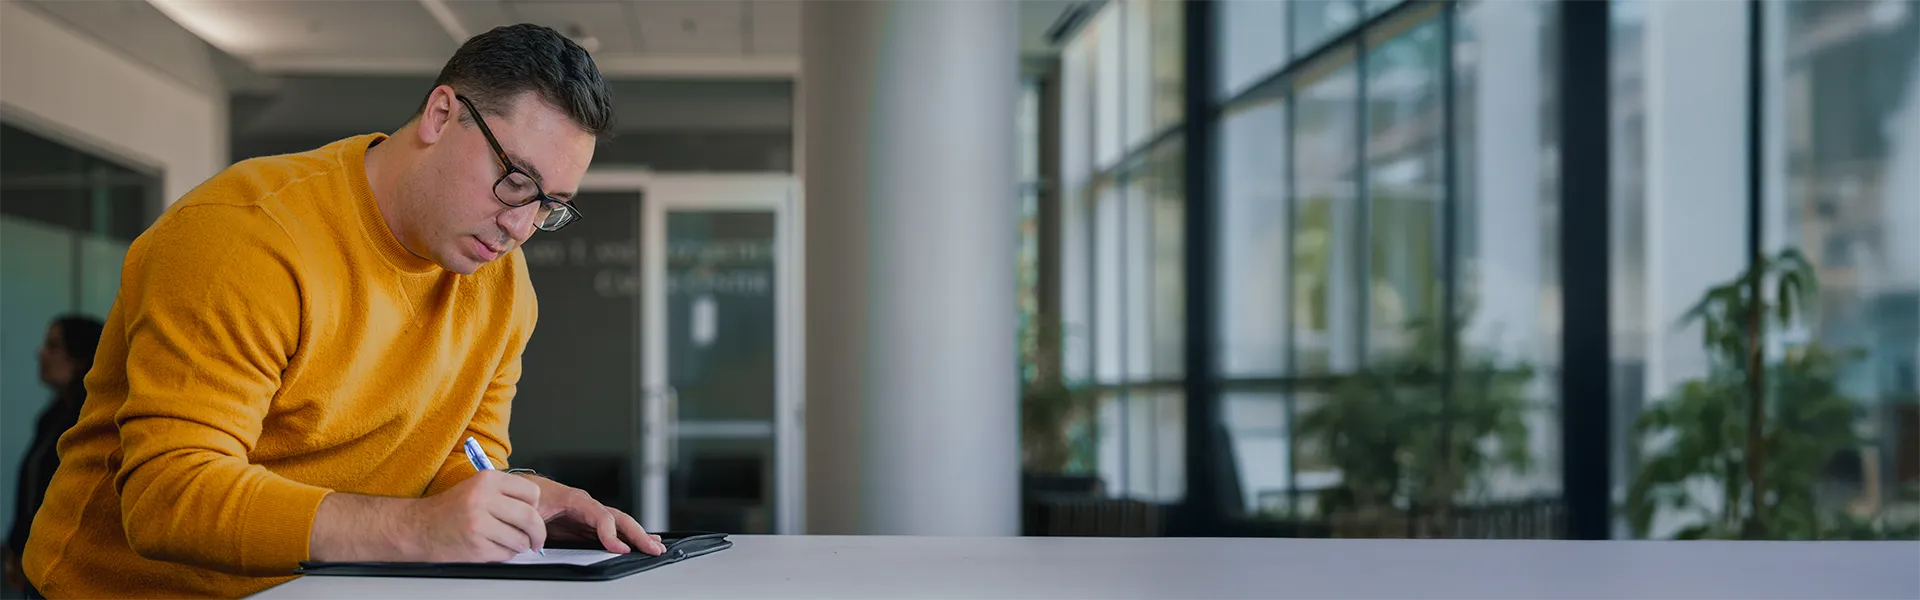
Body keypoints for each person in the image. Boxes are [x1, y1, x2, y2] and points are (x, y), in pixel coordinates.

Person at [20, 24, 666, 600]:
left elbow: (464, 457)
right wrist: (416, 530)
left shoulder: (502, 284)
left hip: (320, 585)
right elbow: (169, 498)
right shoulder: (246, 237)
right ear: (442, 114)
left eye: (549, 204)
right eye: (516, 180)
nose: (520, 226)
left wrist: (519, 501)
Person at [5, 315, 104, 596]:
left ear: (80, 358)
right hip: (38, 557)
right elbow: (31, 487)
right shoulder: (52, 417)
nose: (40, 353)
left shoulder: (87, 423)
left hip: (65, 567)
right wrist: (17, 544)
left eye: (53, 346)